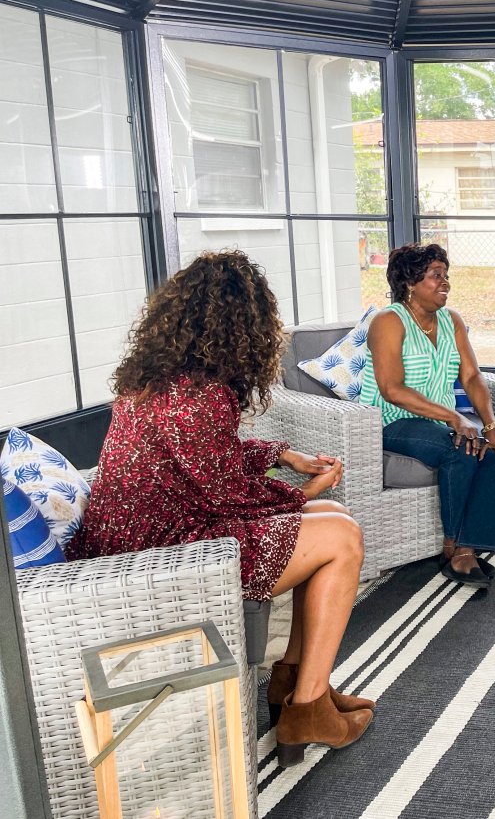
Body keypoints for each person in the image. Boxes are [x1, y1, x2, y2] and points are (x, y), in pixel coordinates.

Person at [67, 251, 372, 768]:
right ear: (244, 326)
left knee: (336, 524)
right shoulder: (200, 395)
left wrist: (283, 455)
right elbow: (227, 496)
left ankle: (297, 684)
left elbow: (209, 463)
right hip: (162, 557)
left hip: (152, 534)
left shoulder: (161, 380)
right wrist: (308, 492)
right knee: (340, 538)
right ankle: (307, 709)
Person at [358, 243, 495, 589]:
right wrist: (454, 418)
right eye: (436, 275)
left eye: (446, 275)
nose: (446, 283)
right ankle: (452, 545)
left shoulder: (451, 319)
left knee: (486, 450)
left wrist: (491, 426)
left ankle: (465, 550)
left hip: (438, 421)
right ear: (410, 282)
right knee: (459, 448)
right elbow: (391, 388)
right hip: (390, 421)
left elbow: (471, 376)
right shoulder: (388, 322)